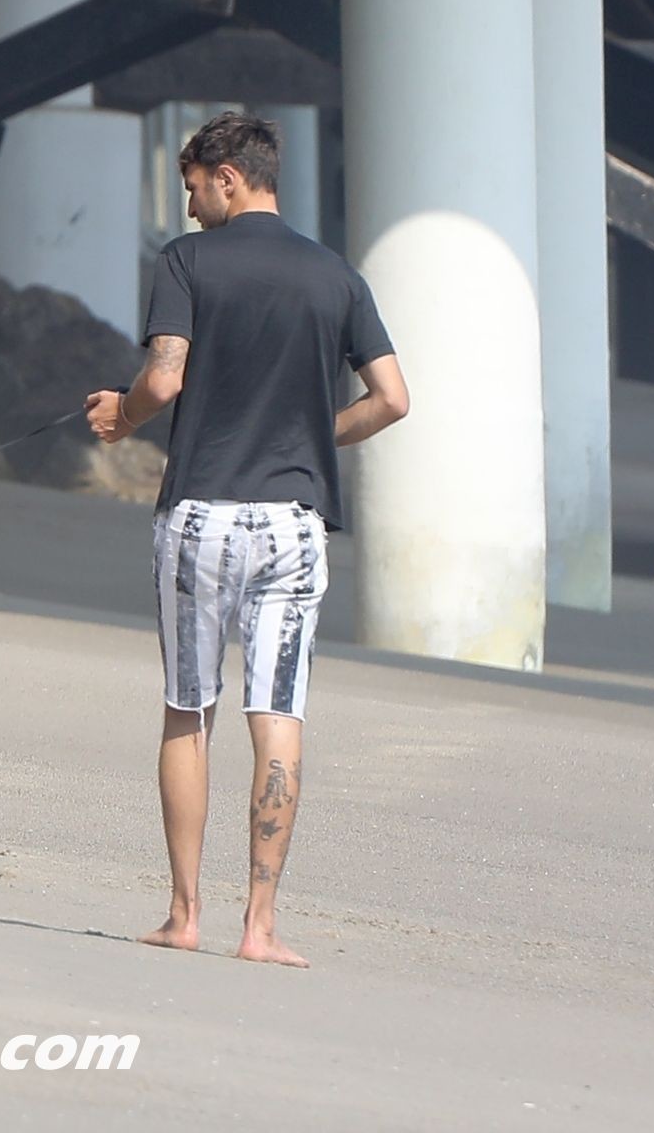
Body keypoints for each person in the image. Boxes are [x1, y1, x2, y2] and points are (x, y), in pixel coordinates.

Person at [87, 111, 410, 968]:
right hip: (293, 524)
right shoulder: (337, 275)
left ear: (228, 178)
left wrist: (122, 415)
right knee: (279, 714)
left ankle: (184, 915)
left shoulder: (188, 261)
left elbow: (164, 377)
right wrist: (311, 440)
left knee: (189, 709)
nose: (191, 208)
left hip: (202, 513)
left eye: (195, 188)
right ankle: (260, 927)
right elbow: (393, 399)